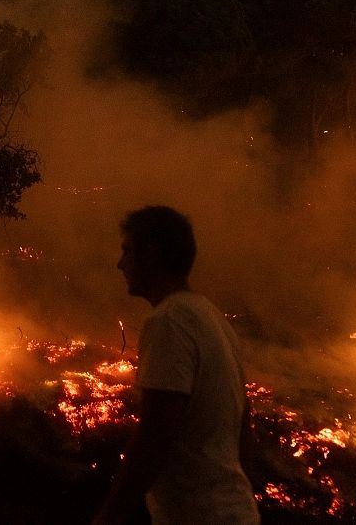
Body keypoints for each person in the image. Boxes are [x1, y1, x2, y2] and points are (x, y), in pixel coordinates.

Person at [94, 206, 259, 524]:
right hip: (233, 512)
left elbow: (154, 435)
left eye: (127, 251)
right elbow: (244, 426)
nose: (120, 264)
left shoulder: (169, 320)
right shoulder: (211, 317)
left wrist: (109, 517)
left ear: (152, 255)